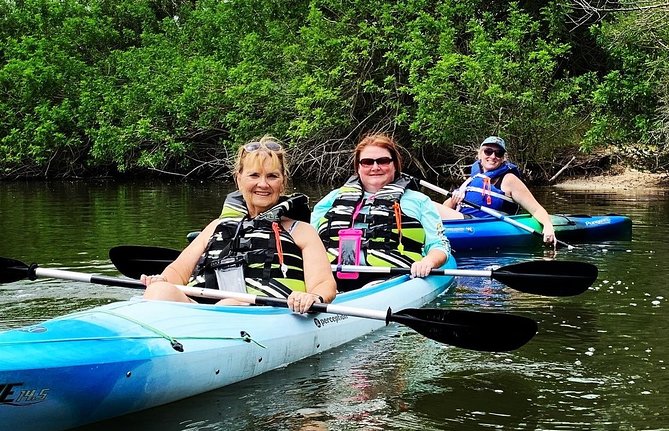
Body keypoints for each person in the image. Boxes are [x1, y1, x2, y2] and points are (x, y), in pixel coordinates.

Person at [140, 135, 336, 313]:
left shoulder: (301, 231)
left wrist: (311, 297)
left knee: (230, 303)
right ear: (239, 179)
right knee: (159, 291)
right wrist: (162, 280)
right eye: (254, 175)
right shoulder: (217, 226)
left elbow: (324, 283)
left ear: (282, 183)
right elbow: (177, 271)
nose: (263, 184)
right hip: (202, 311)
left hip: (264, 314)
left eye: (272, 176)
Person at [311, 132, 451, 291]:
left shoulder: (419, 201)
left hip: (392, 277)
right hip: (331, 277)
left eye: (383, 161)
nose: (375, 167)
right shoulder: (331, 199)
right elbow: (308, 243)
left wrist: (428, 263)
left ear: (395, 165)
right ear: (358, 167)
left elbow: (439, 244)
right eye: (367, 162)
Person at [440, 136, 556, 245]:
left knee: (422, 203)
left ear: (503, 158)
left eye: (498, 153)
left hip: (481, 224)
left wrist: (548, 225)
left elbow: (536, 209)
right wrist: (454, 199)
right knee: (424, 203)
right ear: (480, 154)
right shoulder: (472, 179)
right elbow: (446, 208)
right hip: (460, 220)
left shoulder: (509, 180)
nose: (493, 156)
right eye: (488, 151)